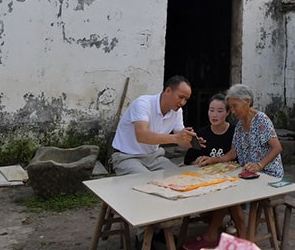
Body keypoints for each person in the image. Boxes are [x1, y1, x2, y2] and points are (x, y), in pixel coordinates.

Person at [183, 83, 283, 250]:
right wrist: (213, 160)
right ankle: (230, 238)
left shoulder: (261, 120)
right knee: (225, 188)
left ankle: (225, 237)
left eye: (235, 106)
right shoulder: (239, 125)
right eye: (231, 107)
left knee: (230, 193)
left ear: (247, 102)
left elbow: (277, 147)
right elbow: (233, 153)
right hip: (247, 172)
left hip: (267, 173)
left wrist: (259, 165)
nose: (233, 111)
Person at [111, 75, 203, 175]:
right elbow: (142, 135)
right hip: (127, 156)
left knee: (178, 176)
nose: (182, 102)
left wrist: (191, 141)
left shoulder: (177, 111)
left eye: (186, 99)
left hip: (154, 157)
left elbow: (181, 141)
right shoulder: (143, 103)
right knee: (145, 182)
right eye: (181, 97)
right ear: (168, 91)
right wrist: (177, 138)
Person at [183, 93, 234, 165]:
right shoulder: (201, 134)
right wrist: (197, 162)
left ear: (227, 112)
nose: (214, 115)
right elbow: (188, 161)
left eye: (219, 111)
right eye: (211, 110)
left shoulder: (235, 133)